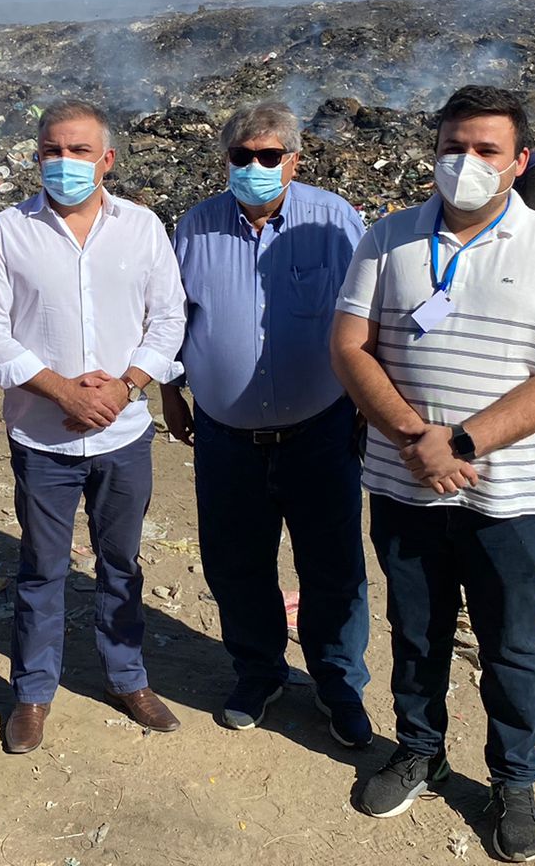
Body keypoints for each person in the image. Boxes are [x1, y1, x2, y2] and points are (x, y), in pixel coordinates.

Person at [330, 85, 535, 863]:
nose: (467, 163)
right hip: (402, 481)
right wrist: (417, 437)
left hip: (507, 495)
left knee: (512, 642)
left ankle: (514, 779)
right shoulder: (387, 238)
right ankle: (420, 749)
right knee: (415, 632)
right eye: (454, 147)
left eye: (486, 150)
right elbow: (350, 346)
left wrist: (466, 443)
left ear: (520, 162)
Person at [0, 98, 187, 754]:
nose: (64, 162)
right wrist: (61, 387)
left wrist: (125, 387)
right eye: (52, 150)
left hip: (124, 434)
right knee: (41, 566)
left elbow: (169, 318)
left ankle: (127, 677)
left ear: (107, 160)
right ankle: (33, 691)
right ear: (37, 156)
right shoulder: (6, 231)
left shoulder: (143, 228)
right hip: (43, 436)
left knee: (120, 561)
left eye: (79, 151)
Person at [160, 102, 372, 745]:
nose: (255, 167)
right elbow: (171, 316)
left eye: (269, 156)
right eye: (241, 156)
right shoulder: (196, 227)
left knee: (332, 565)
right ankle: (257, 670)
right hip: (226, 438)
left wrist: (369, 404)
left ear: (294, 160)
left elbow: (365, 314)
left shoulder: (333, 221)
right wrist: (171, 391)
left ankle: (338, 684)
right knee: (236, 563)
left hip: (321, 429)